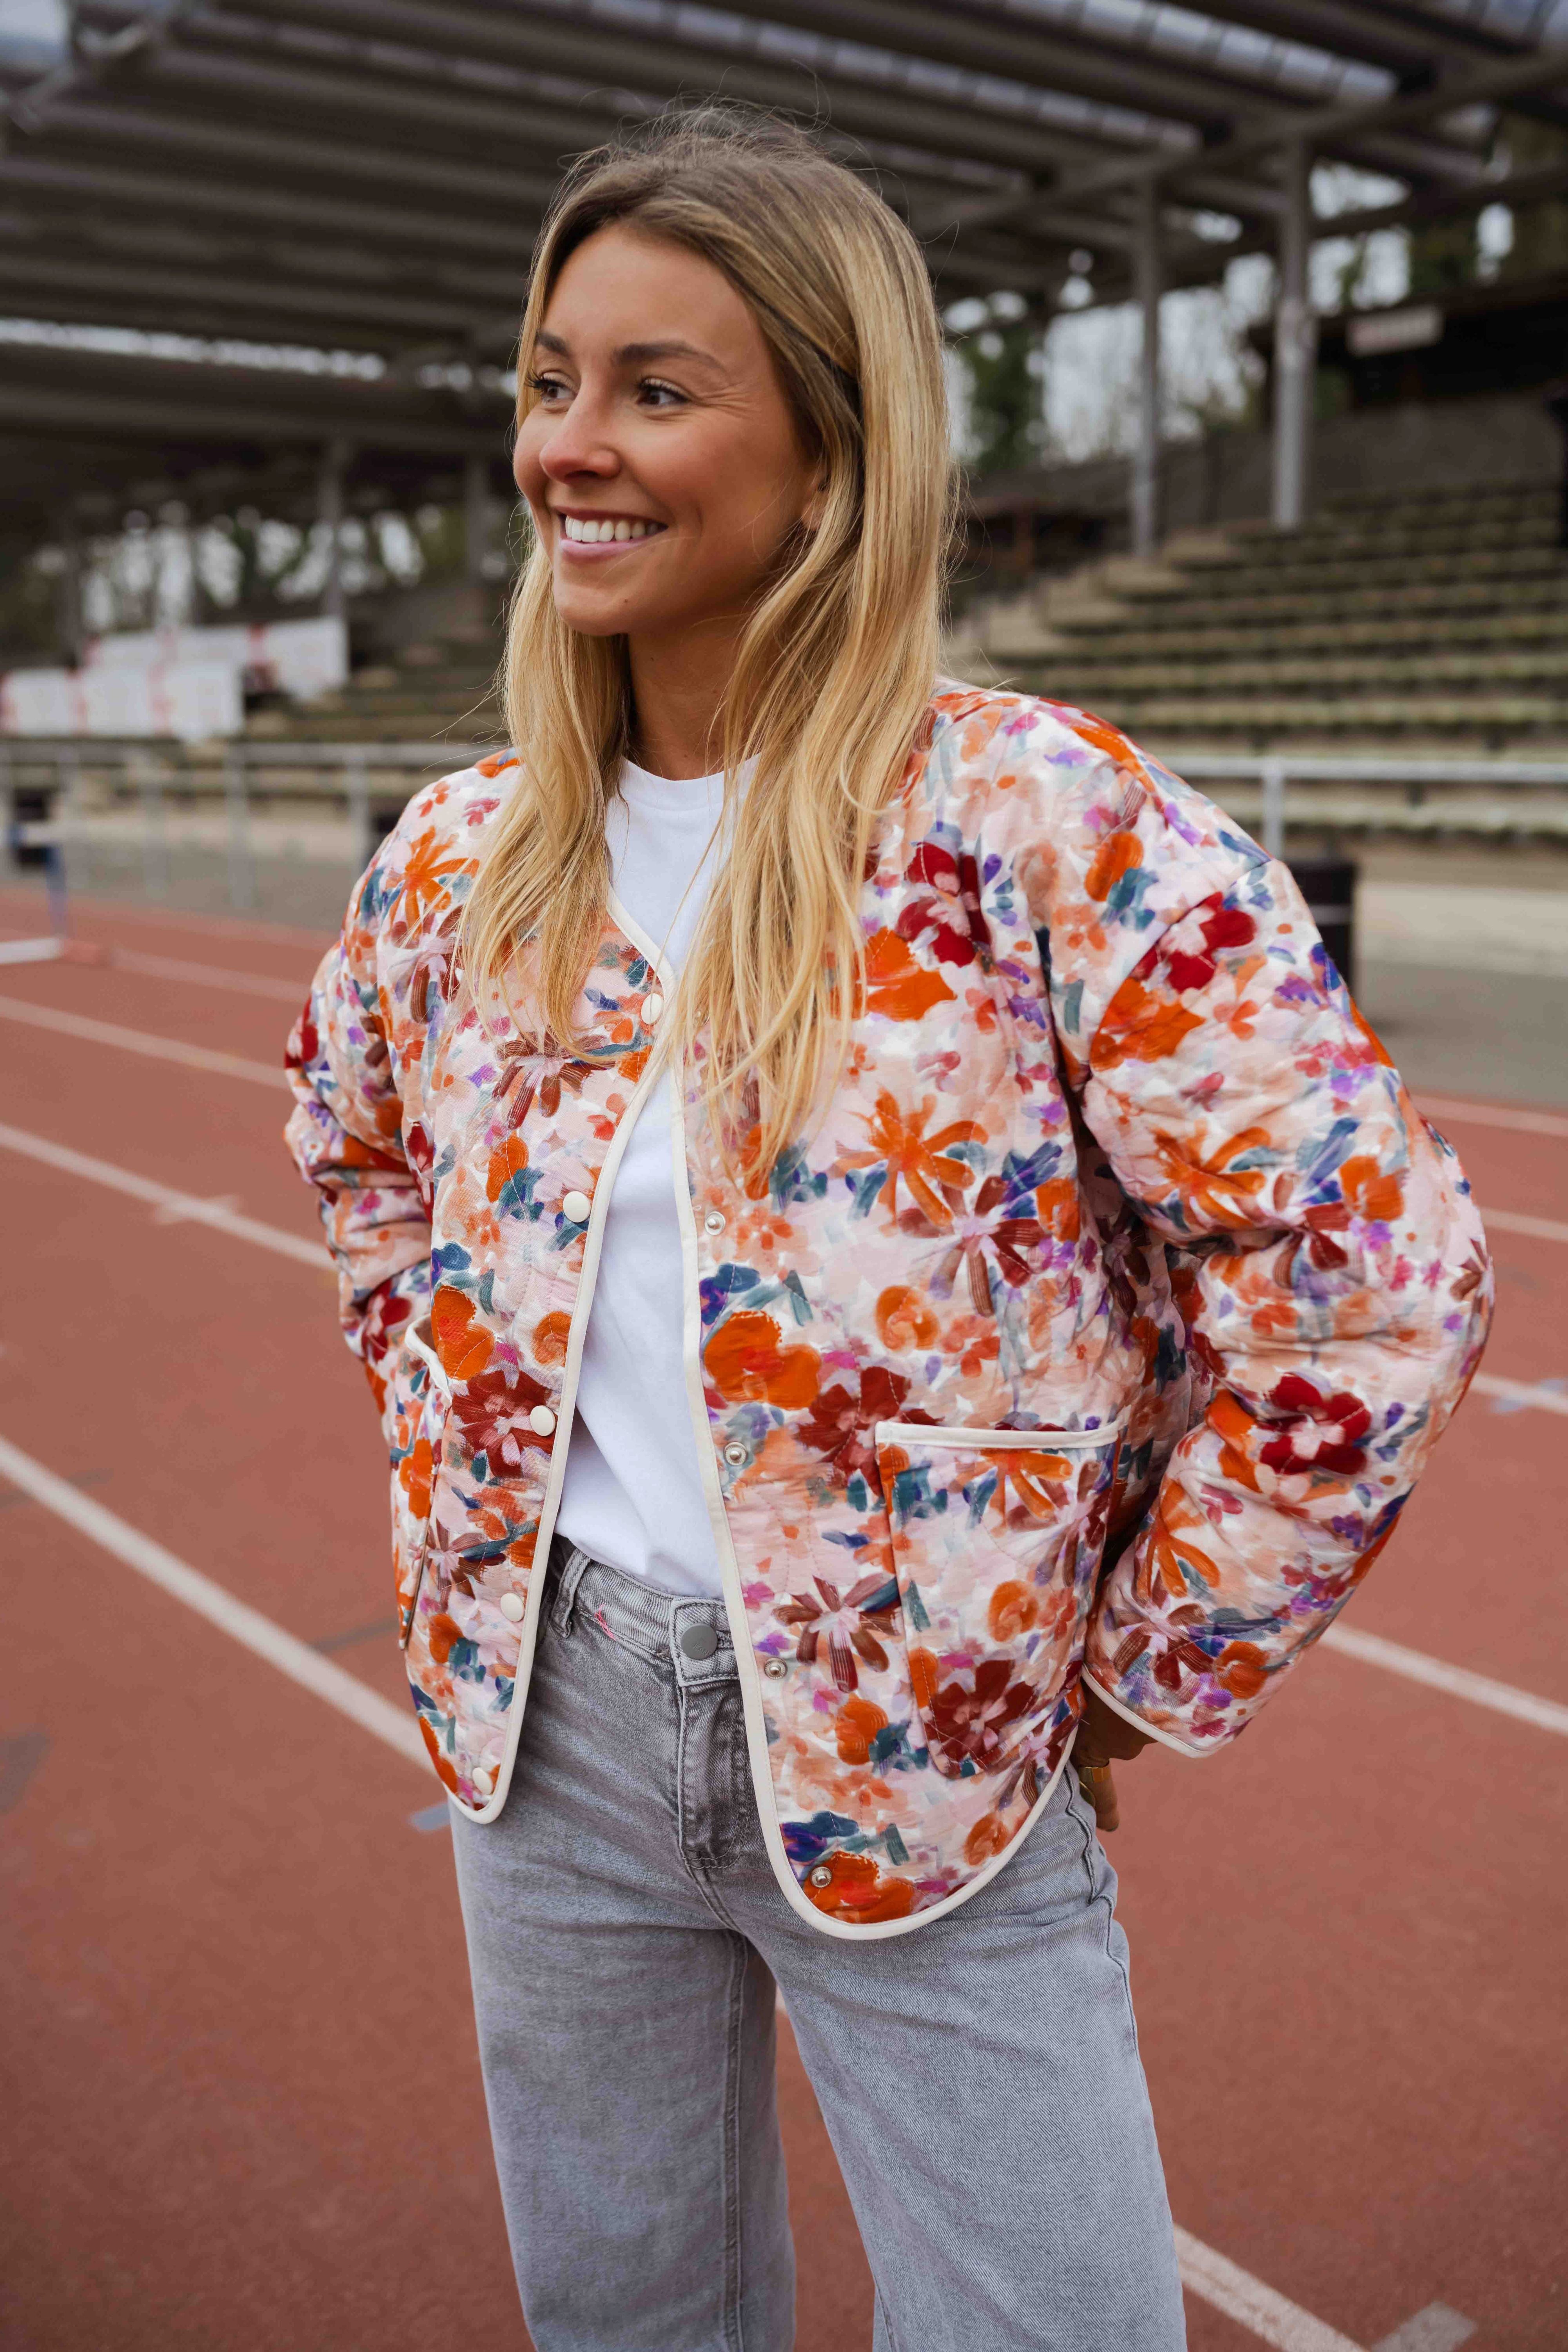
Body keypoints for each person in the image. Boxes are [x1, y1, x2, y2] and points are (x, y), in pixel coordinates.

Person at [285, 105, 1492, 2352]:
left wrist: (1132, 1669)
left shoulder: (1040, 827)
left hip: (929, 1757)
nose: (576, 444)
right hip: (544, 1744)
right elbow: (353, 1153)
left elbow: (1371, 1282)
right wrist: (470, 1472)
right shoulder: (461, 862)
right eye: (554, 379)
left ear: (833, 459)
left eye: (661, 387)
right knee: (628, 2319)